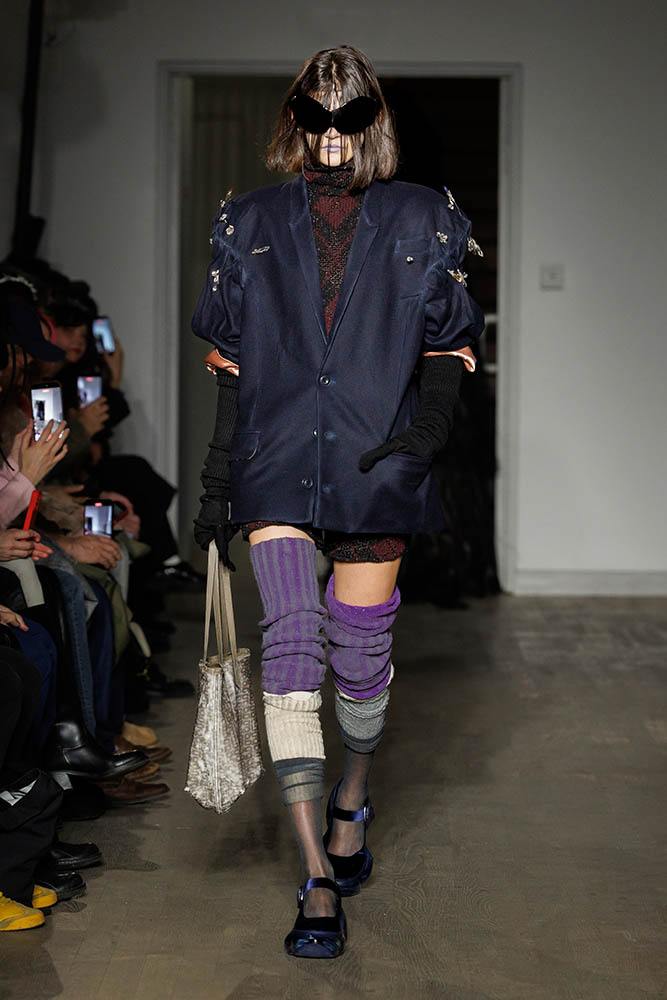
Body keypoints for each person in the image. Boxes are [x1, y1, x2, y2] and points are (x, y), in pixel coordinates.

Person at [192, 45, 484, 959]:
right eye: (312, 116)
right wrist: (215, 480)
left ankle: (353, 797)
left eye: (347, 116)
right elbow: (233, 364)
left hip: (372, 460)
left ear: (372, 122)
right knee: (290, 646)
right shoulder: (247, 221)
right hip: (274, 460)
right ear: (292, 120)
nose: (328, 134)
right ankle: (316, 871)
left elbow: (445, 342)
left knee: (359, 662)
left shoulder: (424, 217)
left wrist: (428, 429)